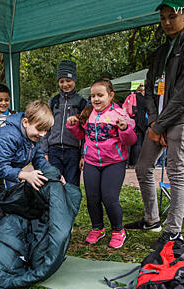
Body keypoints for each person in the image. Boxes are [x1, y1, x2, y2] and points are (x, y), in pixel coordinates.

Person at [125, 0, 184, 246]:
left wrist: (160, 126)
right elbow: (149, 88)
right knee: (143, 167)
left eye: (172, 16)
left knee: (176, 172)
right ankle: (152, 219)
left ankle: (174, 231)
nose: (167, 22)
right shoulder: (162, 50)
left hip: (179, 120)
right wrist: (153, 122)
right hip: (158, 121)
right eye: (163, 18)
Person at [0, 100, 55, 238]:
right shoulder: (10, 136)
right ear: (26, 122)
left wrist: (55, 175)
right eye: (40, 129)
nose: (43, 134)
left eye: (46, 130)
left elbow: (39, 159)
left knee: (4, 201)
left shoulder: (32, 137)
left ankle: (3, 235)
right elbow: (1, 167)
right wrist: (25, 175)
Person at [67, 79, 137, 248]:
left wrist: (124, 128)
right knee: (92, 198)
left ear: (111, 95)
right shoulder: (88, 112)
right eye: (93, 96)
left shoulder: (120, 114)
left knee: (109, 198)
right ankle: (97, 228)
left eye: (100, 95)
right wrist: (73, 126)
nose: (96, 99)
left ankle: (118, 231)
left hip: (114, 162)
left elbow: (131, 140)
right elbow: (82, 136)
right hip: (91, 162)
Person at [41, 60, 87, 186]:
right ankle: (55, 205)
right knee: (54, 182)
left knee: (71, 184)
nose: (65, 84)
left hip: (73, 151)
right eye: (61, 81)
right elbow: (45, 128)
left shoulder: (82, 102)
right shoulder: (53, 102)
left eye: (68, 80)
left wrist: (83, 154)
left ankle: (71, 206)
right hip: (54, 150)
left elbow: (86, 132)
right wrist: (44, 152)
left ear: (74, 80)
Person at [123, 84, 148, 167]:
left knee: (128, 144)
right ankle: (135, 163)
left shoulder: (129, 96)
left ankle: (126, 163)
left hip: (129, 122)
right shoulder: (143, 99)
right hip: (139, 124)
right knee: (138, 144)